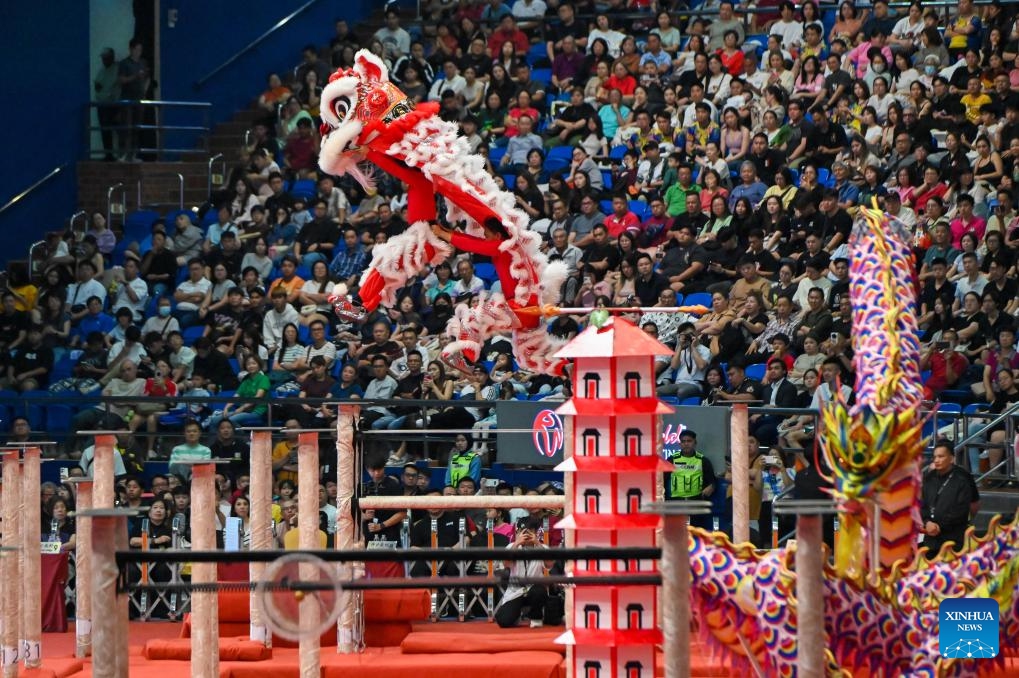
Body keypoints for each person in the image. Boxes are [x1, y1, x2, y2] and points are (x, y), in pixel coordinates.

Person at [494, 516, 559, 628]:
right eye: (523, 531)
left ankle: (536, 617)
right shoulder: (511, 546)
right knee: (503, 621)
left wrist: (537, 543)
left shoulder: (542, 547)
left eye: (530, 531)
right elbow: (506, 564)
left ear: (535, 532)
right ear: (518, 532)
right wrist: (517, 543)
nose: (526, 534)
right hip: (515, 592)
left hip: (535, 590)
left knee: (539, 590)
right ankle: (516, 615)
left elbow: (550, 564)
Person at [920, 442, 977, 555]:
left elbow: (961, 510)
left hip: (954, 540)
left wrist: (939, 527)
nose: (936, 460)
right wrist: (927, 522)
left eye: (941, 456)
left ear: (951, 459)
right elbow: (923, 504)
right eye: (935, 457)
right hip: (930, 538)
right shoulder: (928, 478)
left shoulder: (962, 479)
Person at [361, 451, 407, 577]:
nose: (376, 473)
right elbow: (351, 515)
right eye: (372, 470)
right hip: (368, 538)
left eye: (379, 469)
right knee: (370, 574)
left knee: (391, 575)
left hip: (389, 536)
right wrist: (364, 517)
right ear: (367, 469)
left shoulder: (394, 485)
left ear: (384, 467)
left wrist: (381, 525)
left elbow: (402, 513)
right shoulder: (363, 487)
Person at [663, 429, 716, 529]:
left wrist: (710, 487)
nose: (686, 444)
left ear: (695, 443)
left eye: (689, 441)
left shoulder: (703, 460)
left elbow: (712, 482)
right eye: (683, 441)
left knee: (696, 532)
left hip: (696, 502)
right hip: (676, 503)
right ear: (680, 444)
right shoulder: (672, 459)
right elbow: (661, 480)